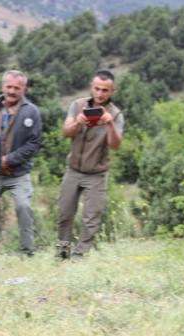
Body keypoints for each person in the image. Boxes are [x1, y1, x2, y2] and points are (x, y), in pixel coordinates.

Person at [56, 69, 124, 260]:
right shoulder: (77, 105)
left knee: (91, 218)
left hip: (96, 173)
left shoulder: (116, 114)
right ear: (91, 88)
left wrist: (109, 124)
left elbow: (115, 145)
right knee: (64, 213)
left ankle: (80, 256)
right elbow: (64, 133)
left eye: (105, 90)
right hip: (73, 169)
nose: (100, 94)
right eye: (97, 89)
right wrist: (78, 122)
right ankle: (62, 252)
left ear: (112, 91)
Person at [0, 70, 42, 258]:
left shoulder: (32, 111)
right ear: (2, 86)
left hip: (18, 173)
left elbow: (33, 144)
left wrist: (8, 160)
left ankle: (27, 252)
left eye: (17, 87)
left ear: (24, 88)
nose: (12, 91)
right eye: (9, 86)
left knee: (23, 207)